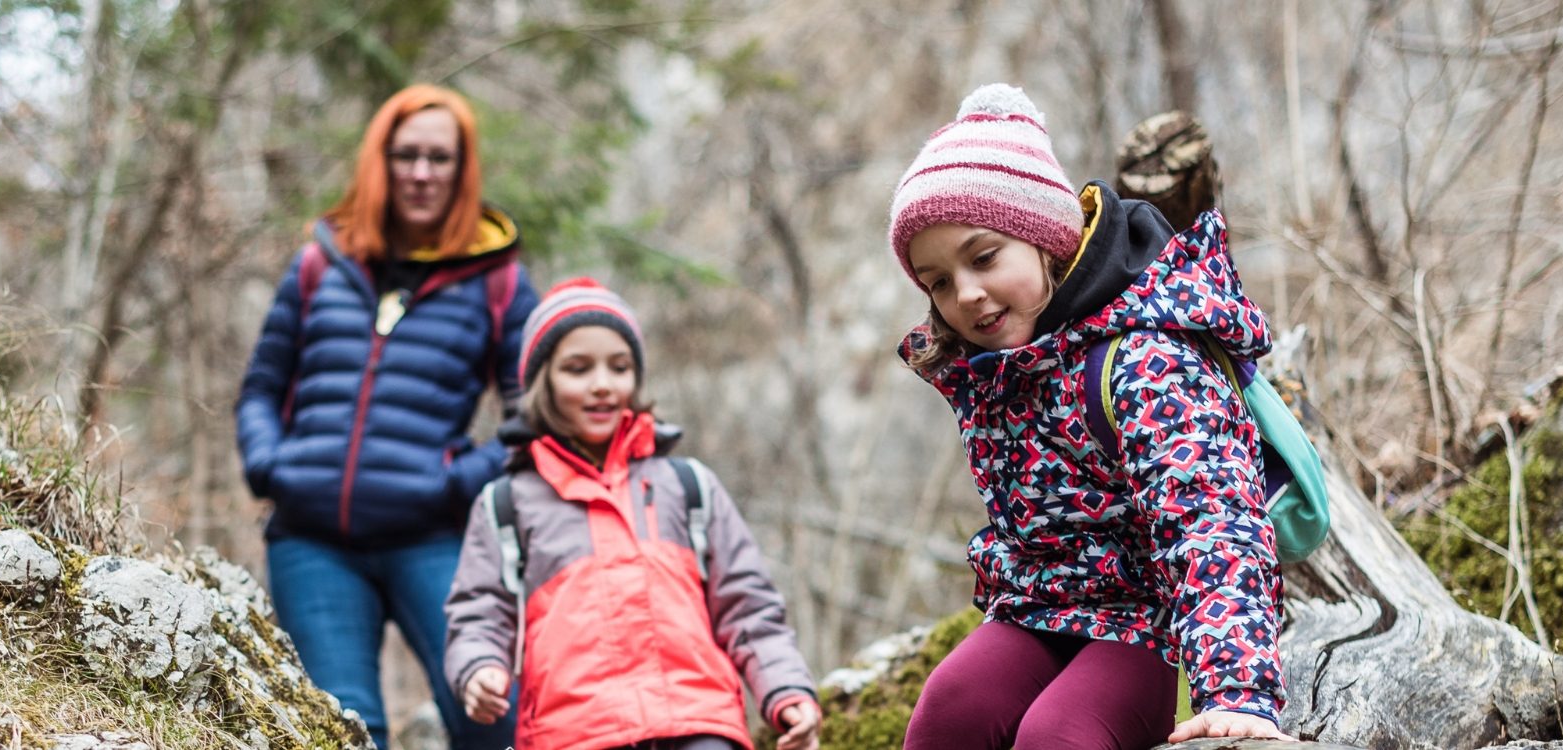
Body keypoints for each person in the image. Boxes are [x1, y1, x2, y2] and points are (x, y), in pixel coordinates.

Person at [886, 84, 1291, 749]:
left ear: (1046, 238)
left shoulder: (1142, 357)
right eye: (937, 281)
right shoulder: (996, 366)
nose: (966, 294)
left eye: (984, 257)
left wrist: (1238, 692)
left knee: (1059, 737)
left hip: (1154, 622)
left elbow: (1212, 520)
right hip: (1042, 606)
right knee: (949, 712)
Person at [236, 83, 538, 750]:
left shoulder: (498, 280)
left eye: (440, 157)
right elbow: (261, 388)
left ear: (463, 169)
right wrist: (270, 465)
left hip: (434, 538)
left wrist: (458, 480)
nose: (422, 173)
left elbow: (534, 415)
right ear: (382, 161)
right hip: (312, 542)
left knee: (494, 719)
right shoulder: (322, 263)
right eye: (407, 155)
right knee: (348, 731)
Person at [442, 279, 822, 750]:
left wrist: (786, 689)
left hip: (698, 725)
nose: (603, 384)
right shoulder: (506, 504)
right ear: (542, 382)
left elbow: (749, 609)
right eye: (578, 369)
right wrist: (479, 667)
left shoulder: (688, 487)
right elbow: (479, 614)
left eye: (619, 367)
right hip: (573, 735)